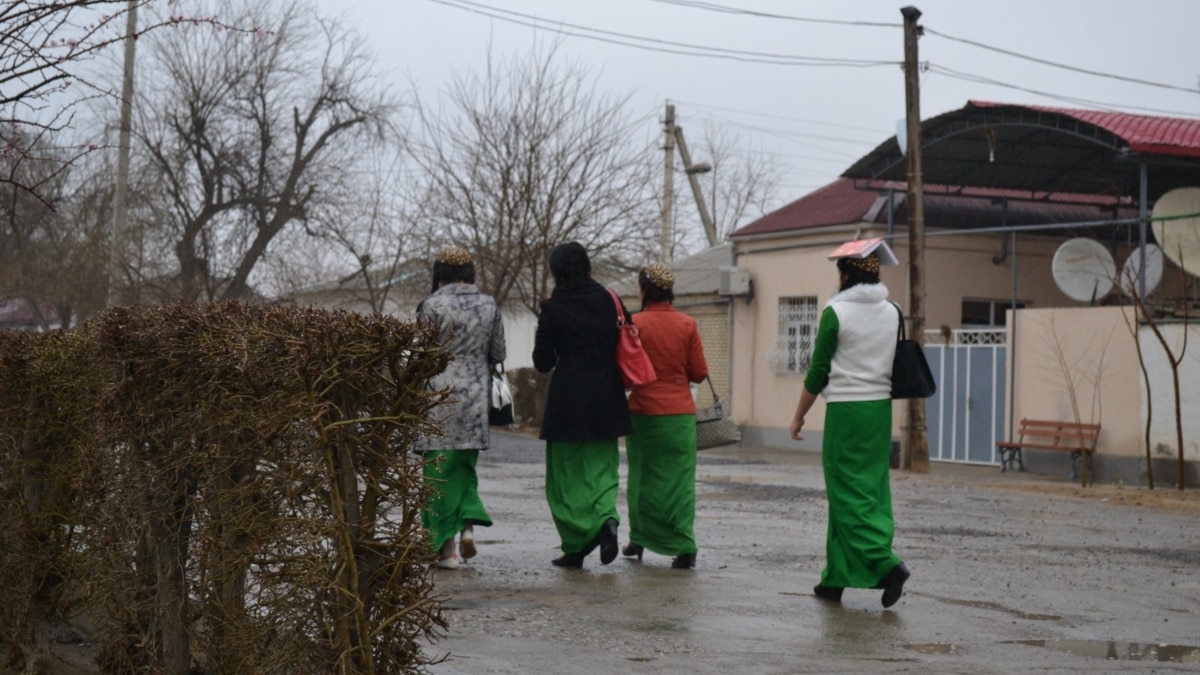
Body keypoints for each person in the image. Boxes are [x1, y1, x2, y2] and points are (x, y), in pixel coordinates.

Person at [788, 240, 910, 608]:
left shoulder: (835, 312)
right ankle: (836, 578)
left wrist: (798, 415)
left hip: (845, 412)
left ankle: (886, 565)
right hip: (879, 412)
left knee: (845, 494)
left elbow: (818, 371)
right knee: (870, 491)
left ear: (845, 274)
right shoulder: (894, 311)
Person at [532, 242, 632, 568]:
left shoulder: (553, 307)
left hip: (568, 400)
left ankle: (575, 546)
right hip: (607, 395)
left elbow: (543, 362)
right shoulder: (610, 300)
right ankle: (606, 519)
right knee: (602, 468)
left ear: (556, 271)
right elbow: (627, 336)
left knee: (564, 477)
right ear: (588, 265)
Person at [416, 246, 506, 570]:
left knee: (437, 474)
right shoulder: (489, 305)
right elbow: (499, 352)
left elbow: (420, 354)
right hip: (475, 398)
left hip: (438, 397)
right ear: (470, 274)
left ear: (439, 274)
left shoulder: (431, 305)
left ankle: (447, 550)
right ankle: (468, 524)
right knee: (464, 469)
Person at [622, 262, 708, 569]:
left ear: (644, 290)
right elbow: (699, 373)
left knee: (642, 479)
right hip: (680, 416)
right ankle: (684, 545)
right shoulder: (687, 325)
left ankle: (639, 538)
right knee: (680, 482)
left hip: (644, 414)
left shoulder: (635, 323)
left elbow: (626, 372)